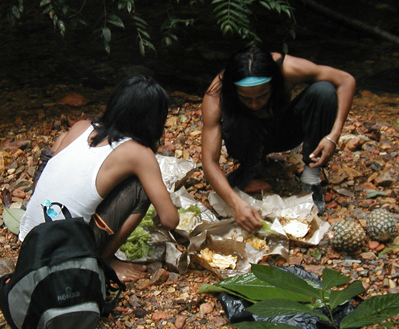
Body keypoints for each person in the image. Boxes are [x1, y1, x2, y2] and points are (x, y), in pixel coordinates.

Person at [19, 75, 179, 281]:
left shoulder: (81, 126)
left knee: (60, 145)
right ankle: (102, 261)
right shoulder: (139, 153)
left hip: (31, 242)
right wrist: (157, 221)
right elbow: (170, 219)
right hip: (65, 257)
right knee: (141, 188)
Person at [201, 46, 355, 233]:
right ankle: (250, 167)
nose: (256, 103)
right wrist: (236, 204)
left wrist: (333, 136)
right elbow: (209, 161)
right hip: (244, 137)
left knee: (324, 90)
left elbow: (346, 81)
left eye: (263, 95)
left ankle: (311, 176)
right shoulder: (217, 92)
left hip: (282, 131)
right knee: (237, 120)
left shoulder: (290, 69)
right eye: (247, 98)